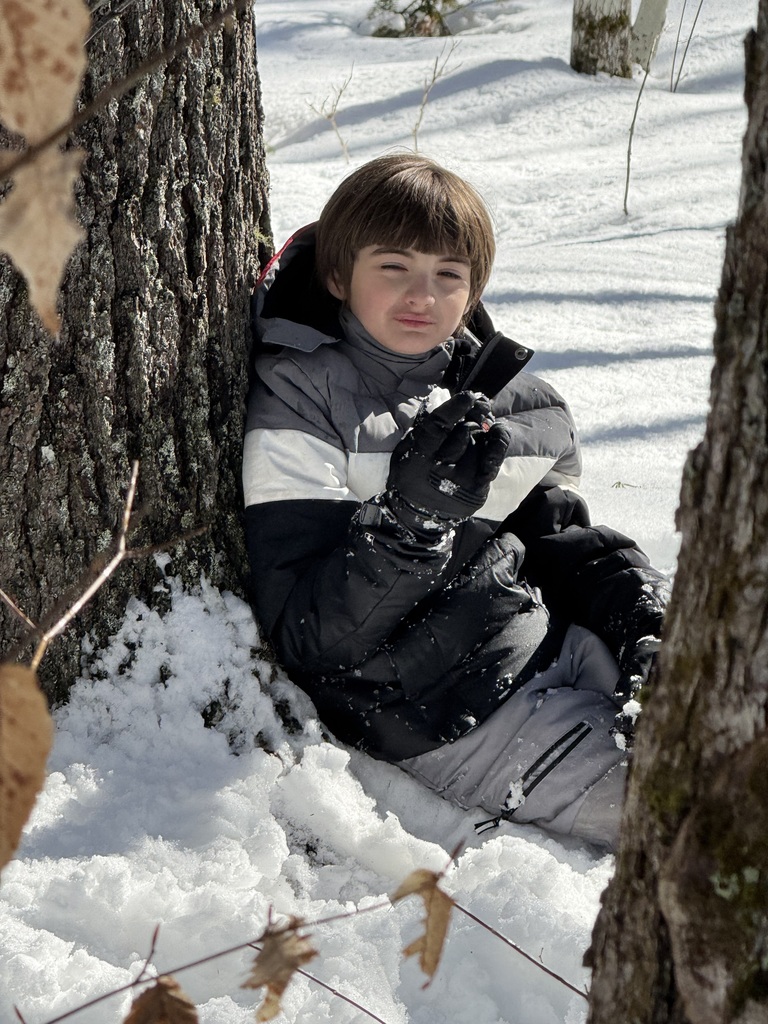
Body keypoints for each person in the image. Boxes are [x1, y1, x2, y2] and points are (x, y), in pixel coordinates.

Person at [242, 154, 669, 851]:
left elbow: (558, 542)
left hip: (552, 646)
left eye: (448, 275)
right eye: (394, 267)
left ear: (472, 293)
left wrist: (639, 613)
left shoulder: (492, 389)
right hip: (452, 714)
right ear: (336, 275)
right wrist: (413, 523)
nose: (422, 295)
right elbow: (311, 641)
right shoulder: (303, 400)